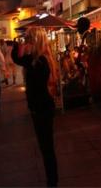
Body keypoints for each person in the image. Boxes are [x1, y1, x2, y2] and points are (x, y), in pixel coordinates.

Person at [12, 28, 59, 187]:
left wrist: (21, 47)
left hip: (42, 109)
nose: (27, 43)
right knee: (46, 148)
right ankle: (52, 180)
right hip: (41, 108)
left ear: (35, 42)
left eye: (29, 40)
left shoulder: (39, 61)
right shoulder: (39, 59)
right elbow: (18, 59)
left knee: (47, 149)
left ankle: (52, 182)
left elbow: (18, 60)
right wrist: (20, 45)